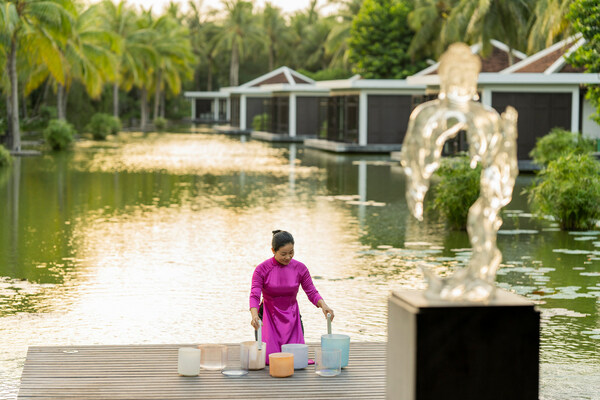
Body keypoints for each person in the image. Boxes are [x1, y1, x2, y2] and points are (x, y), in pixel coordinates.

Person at [249, 230, 334, 363]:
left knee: (295, 360)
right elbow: (254, 295)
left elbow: (311, 291)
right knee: (268, 360)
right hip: (267, 318)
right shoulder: (262, 269)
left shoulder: (300, 268)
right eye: (283, 254)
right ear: (273, 250)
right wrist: (254, 316)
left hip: (292, 319)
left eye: (291, 252)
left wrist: (324, 305)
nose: (288, 257)